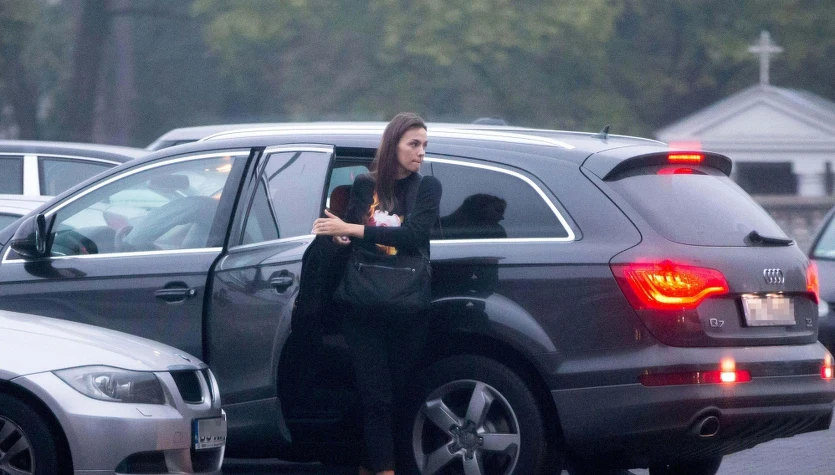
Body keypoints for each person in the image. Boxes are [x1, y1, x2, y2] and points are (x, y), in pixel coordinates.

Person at [311, 112, 442, 475]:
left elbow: (413, 236)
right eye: (413, 144)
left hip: (408, 306)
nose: (421, 153)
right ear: (392, 145)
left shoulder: (428, 187)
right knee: (375, 398)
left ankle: (371, 465)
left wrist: (352, 229)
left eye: (425, 145)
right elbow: (351, 234)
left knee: (398, 396)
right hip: (362, 304)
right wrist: (341, 236)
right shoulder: (364, 185)